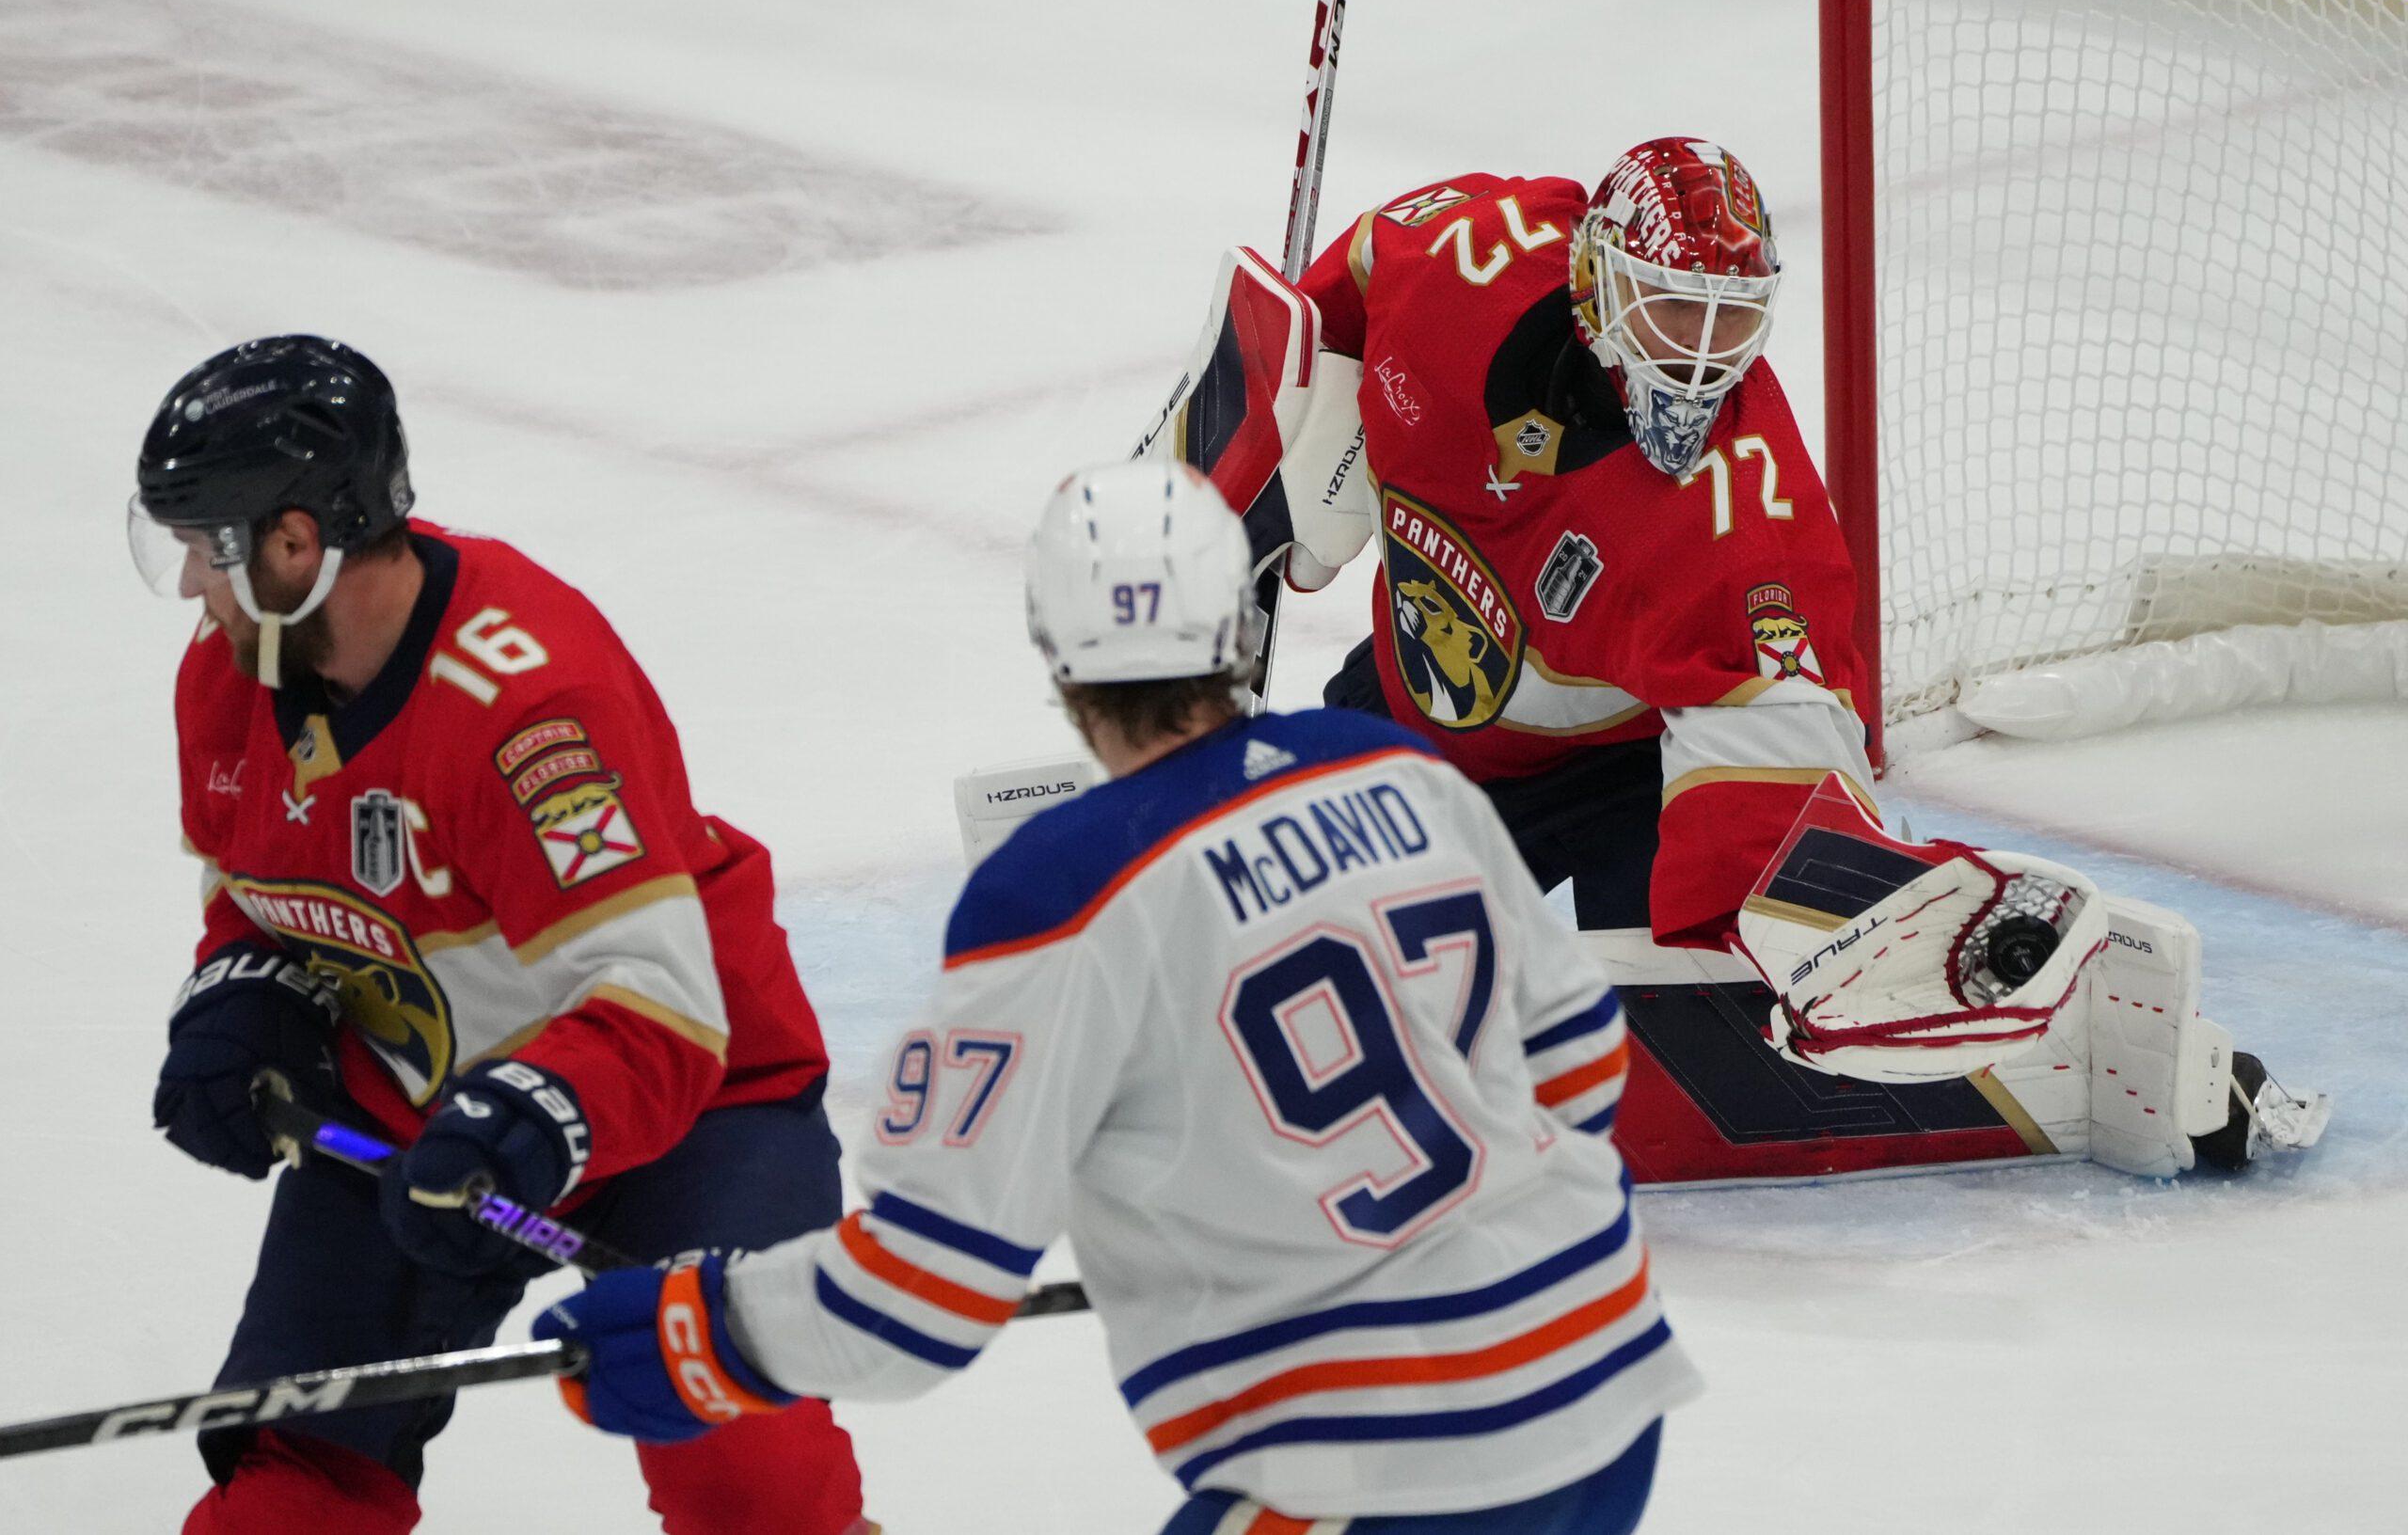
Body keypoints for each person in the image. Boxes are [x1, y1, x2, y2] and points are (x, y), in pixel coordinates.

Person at [534, 461, 1702, 1534]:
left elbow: (922, 1296)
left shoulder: (1056, 891)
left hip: (1384, 1461)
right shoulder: (1392, 764)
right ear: (1237, 624)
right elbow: (1581, 1059)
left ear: (1056, 655)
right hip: (1604, 1378)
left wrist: (697, 1331)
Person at [1166, 137, 2322, 1180]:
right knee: (1259, 944)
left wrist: (1824, 926)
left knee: (1694, 1002)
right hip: (1432, 718)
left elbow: (1783, 781)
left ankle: (2068, 1025)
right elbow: (1336, 299)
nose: (1704, 355)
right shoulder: (1462, 257)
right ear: (1594, 280)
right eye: (1674, 312)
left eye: (1734, 319)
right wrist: (1257, 456)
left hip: (1632, 781)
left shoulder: (1744, 529)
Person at [133, 336, 870, 1534]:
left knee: (749, 1476)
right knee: (291, 1497)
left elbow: (660, 1003)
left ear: (293, 542)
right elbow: (259, 895)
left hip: (690, 1100)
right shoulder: (228, 680)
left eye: (203, 550)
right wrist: (245, 998)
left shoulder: (530, 705)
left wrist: (522, 1125)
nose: (187, 593)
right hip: (412, 1117)